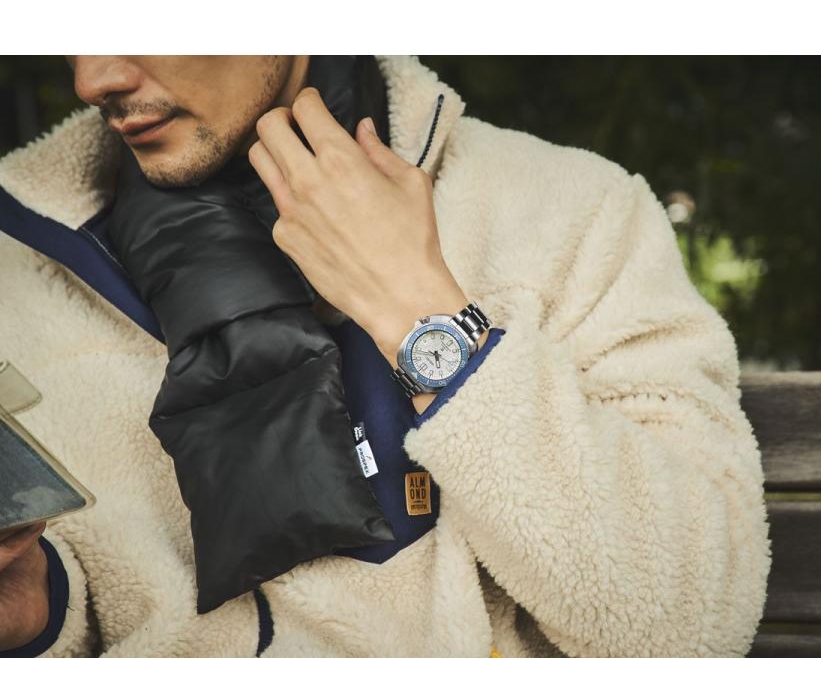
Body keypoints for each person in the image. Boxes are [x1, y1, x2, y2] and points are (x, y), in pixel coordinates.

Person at [0, 55, 771, 657]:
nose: (93, 78)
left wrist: (421, 313)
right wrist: (41, 611)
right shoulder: (16, 268)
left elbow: (689, 628)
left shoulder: (573, 211)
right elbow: (91, 611)